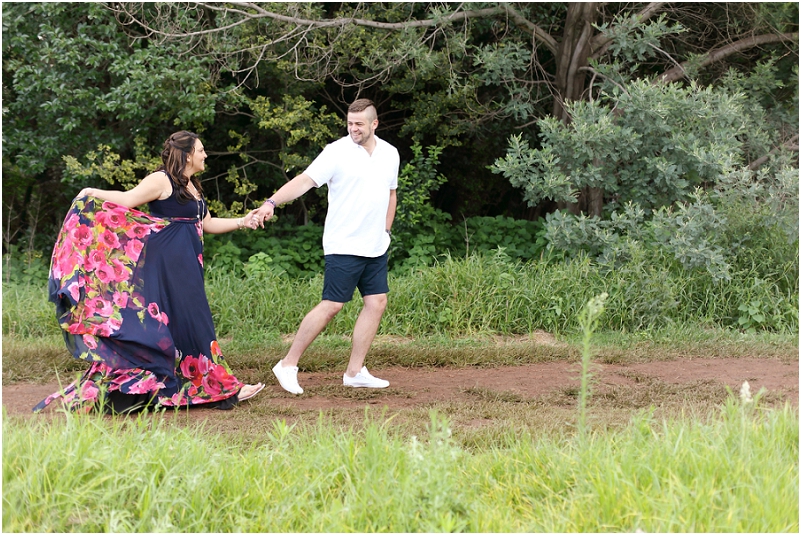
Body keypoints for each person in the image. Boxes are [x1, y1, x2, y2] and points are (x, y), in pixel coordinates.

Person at [34, 131, 265, 413]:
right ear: (187, 155)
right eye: (201, 150)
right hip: (164, 265)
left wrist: (243, 221)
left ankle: (197, 383)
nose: (206, 155)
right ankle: (224, 386)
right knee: (189, 319)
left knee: (187, 320)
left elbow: (207, 223)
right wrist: (93, 192)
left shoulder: (193, 185)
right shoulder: (161, 180)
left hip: (188, 264)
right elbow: (127, 199)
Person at [252, 98, 399, 394]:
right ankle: (287, 364)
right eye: (349, 123)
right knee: (332, 304)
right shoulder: (336, 152)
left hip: (375, 246)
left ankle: (355, 372)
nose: (353, 128)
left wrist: (386, 230)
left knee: (377, 302)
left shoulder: (390, 153)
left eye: (359, 124)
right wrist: (271, 202)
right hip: (344, 244)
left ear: (374, 124)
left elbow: (391, 193)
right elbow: (304, 181)